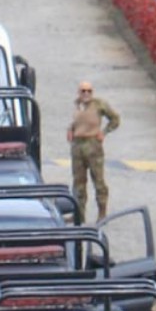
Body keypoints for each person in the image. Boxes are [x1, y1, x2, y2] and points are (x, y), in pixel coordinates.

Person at [66, 79, 120, 221]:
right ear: (79, 92)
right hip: (77, 146)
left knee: (98, 181)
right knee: (78, 183)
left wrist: (104, 132)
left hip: (93, 145)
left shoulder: (98, 104)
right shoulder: (77, 105)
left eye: (89, 91)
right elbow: (78, 122)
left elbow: (115, 119)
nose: (86, 93)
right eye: (83, 91)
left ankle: (102, 213)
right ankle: (79, 215)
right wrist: (71, 129)